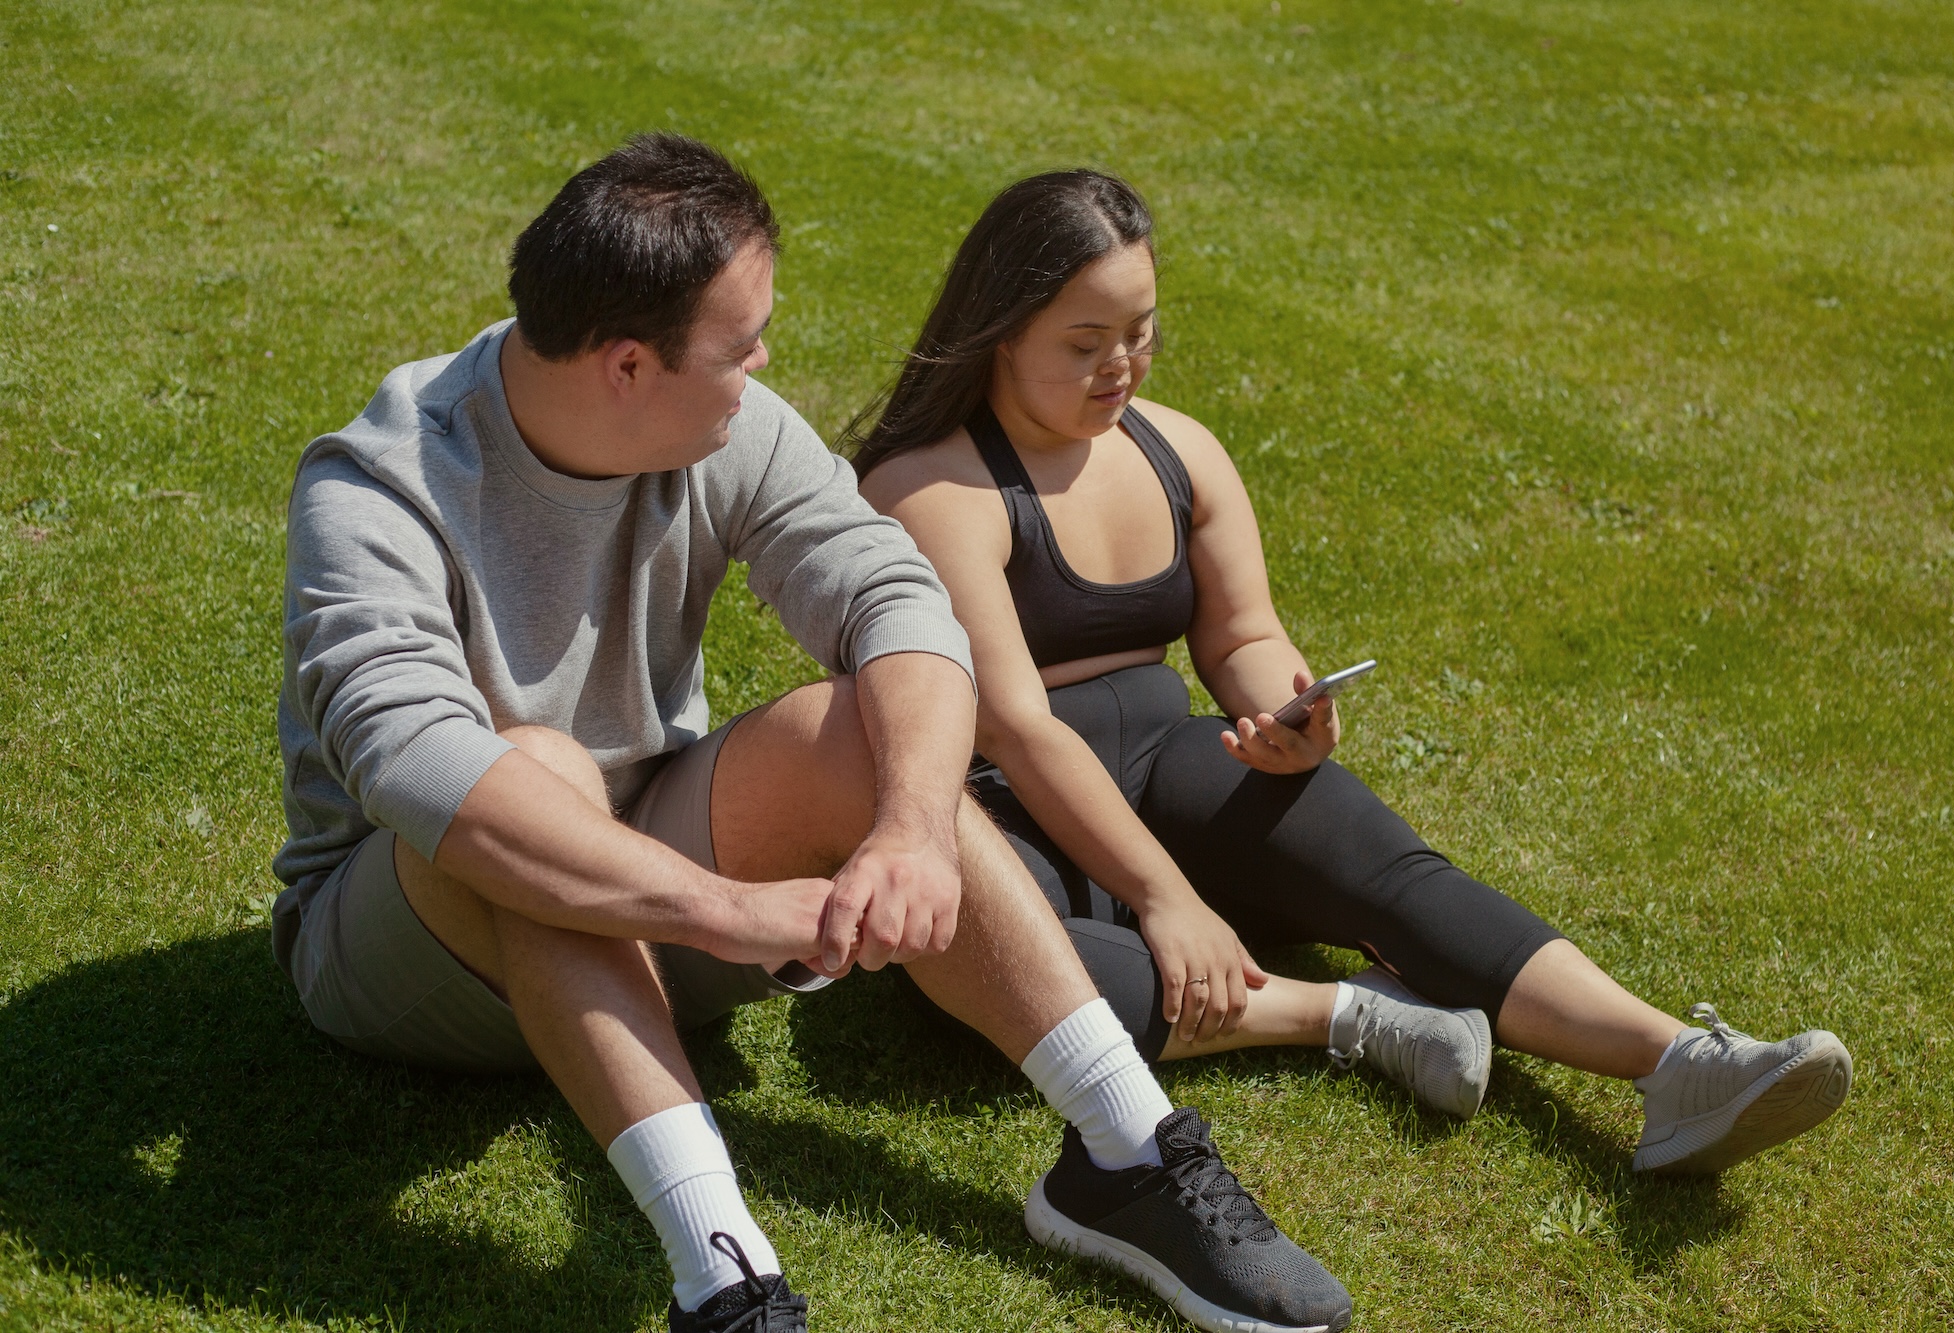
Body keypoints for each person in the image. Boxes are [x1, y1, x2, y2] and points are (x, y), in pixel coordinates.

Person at [272, 137, 1353, 1333]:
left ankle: (1126, 1151)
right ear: (629, 364)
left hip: (648, 879)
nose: (762, 368)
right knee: (531, 769)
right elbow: (416, 766)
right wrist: (729, 912)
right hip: (410, 951)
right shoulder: (379, 485)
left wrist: (910, 832)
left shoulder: (725, 424)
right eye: (741, 347)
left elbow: (896, 602)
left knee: (863, 728)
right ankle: (724, 1284)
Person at [852, 168, 1853, 1176]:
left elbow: (1241, 633)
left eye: (1140, 332)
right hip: (998, 808)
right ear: (1001, 329)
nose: (1121, 365)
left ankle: (1675, 1061)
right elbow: (1019, 728)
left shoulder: (1177, 453)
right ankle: (1349, 1014)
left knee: (1388, 869)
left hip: (1164, 760)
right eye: (1084, 343)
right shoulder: (935, 489)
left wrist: (1285, 708)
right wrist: (1163, 895)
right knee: (988, 956)